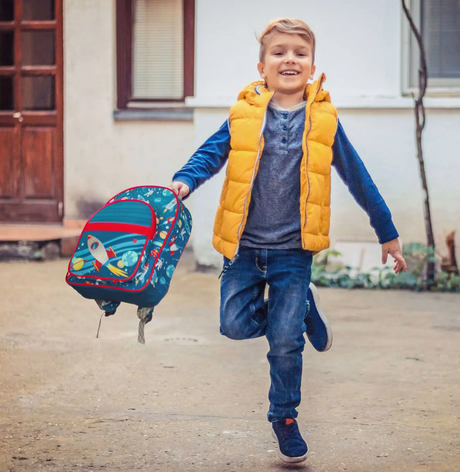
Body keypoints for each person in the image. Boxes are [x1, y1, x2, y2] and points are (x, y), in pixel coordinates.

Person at [170, 18, 407, 464]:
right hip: (243, 247)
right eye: (279, 52)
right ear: (262, 67)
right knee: (234, 325)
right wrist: (184, 181)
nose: (289, 59)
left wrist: (387, 233)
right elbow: (210, 154)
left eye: (299, 52)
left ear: (313, 66)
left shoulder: (324, 121)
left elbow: (358, 177)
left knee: (283, 341)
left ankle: (284, 416)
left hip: (293, 251)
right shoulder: (243, 114)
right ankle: (300, 314)